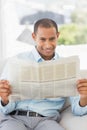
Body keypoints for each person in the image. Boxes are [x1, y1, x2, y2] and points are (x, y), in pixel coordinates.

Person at [0, 18, 87, 130]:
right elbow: (5, 109)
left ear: (58, 36)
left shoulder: (67, 66)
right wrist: (4, 99)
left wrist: (84, 97)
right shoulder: (16, 61)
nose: (48, 45)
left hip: (47, 121)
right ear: (34, 37)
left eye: (52, 39)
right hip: (14, 118)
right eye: (42, 39)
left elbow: (78, 111)